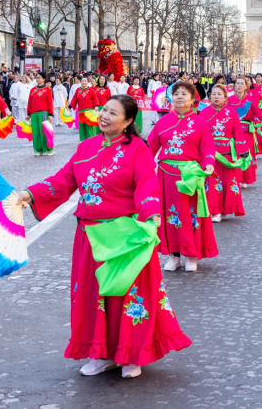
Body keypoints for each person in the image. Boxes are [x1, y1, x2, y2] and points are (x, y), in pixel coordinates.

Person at [17, 95, 191, 379]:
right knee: (93, 296)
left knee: (127, 294)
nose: (105, 116)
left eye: (113, 113)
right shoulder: (86, 146)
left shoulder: (137, 149)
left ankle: (132, 355)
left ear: (129, 121)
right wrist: (30, 193)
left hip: (124, 237)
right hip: (90, 236)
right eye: (104, 110)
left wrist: (152, 215)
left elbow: (147, 184)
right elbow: (64, 180)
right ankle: (100, 353)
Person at [148, 80, 217, 273]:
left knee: (190, 216)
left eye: (184, 94)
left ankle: (191, 255)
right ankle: (173, 254)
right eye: (176, 93)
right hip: (166, 177)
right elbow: (151, 147)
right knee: (170, 215)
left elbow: (208, 147)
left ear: (193, 99)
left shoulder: (200, 122)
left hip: (189, 177)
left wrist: (209, 163)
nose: (179, 97)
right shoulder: (163, 121)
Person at [199, 84, 250, 223]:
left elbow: (238, 134)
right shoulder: (203, 113)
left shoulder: (232, 113)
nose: (216, 97)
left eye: (219, 94)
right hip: (211, 155)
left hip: (228, 154)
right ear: (209, 97)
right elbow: (200, 135)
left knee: (228, 182)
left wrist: (244, 153)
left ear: (225, 97)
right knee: (213, 182)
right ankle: (214, 211)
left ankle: (225, 210)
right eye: (213, 94)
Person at [228, 77, 262, 187]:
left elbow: (258, 112)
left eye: (241, 84)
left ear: (246, 86)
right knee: (235, 154)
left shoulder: (250, 100)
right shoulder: (229, 100)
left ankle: (245, 178)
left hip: (247, 131)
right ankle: (237, 177)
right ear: (234, 86)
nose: (239, 85)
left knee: (246, 154)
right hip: (234, 131)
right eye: (237, 83)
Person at [26, 72, 54, 156]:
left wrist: (50, 114)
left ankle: (49, 150)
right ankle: (38, 150)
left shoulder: (48, 89)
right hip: (34, 113)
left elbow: (50, 102)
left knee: (44, 132)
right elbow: (29, 102)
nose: (38, 79)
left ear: (44, 79)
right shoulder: (32, 90)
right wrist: (28, 113)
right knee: (35, 132)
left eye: (39, 77)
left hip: (43, 113)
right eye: (37, 77)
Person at [70, 77, 99, 141]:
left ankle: (91, 143)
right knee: (82, 129)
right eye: (83, 81)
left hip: (89, 112)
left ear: (87, 82)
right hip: (81, 112)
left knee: (90, 128)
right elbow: (74, 99)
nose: (84, 82)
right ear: (81, 82)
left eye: (85, 81)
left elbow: (95, 98)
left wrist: (96, 106)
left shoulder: (91, 90)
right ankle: (83, 144)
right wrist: (70, 107)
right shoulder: (78, 90)